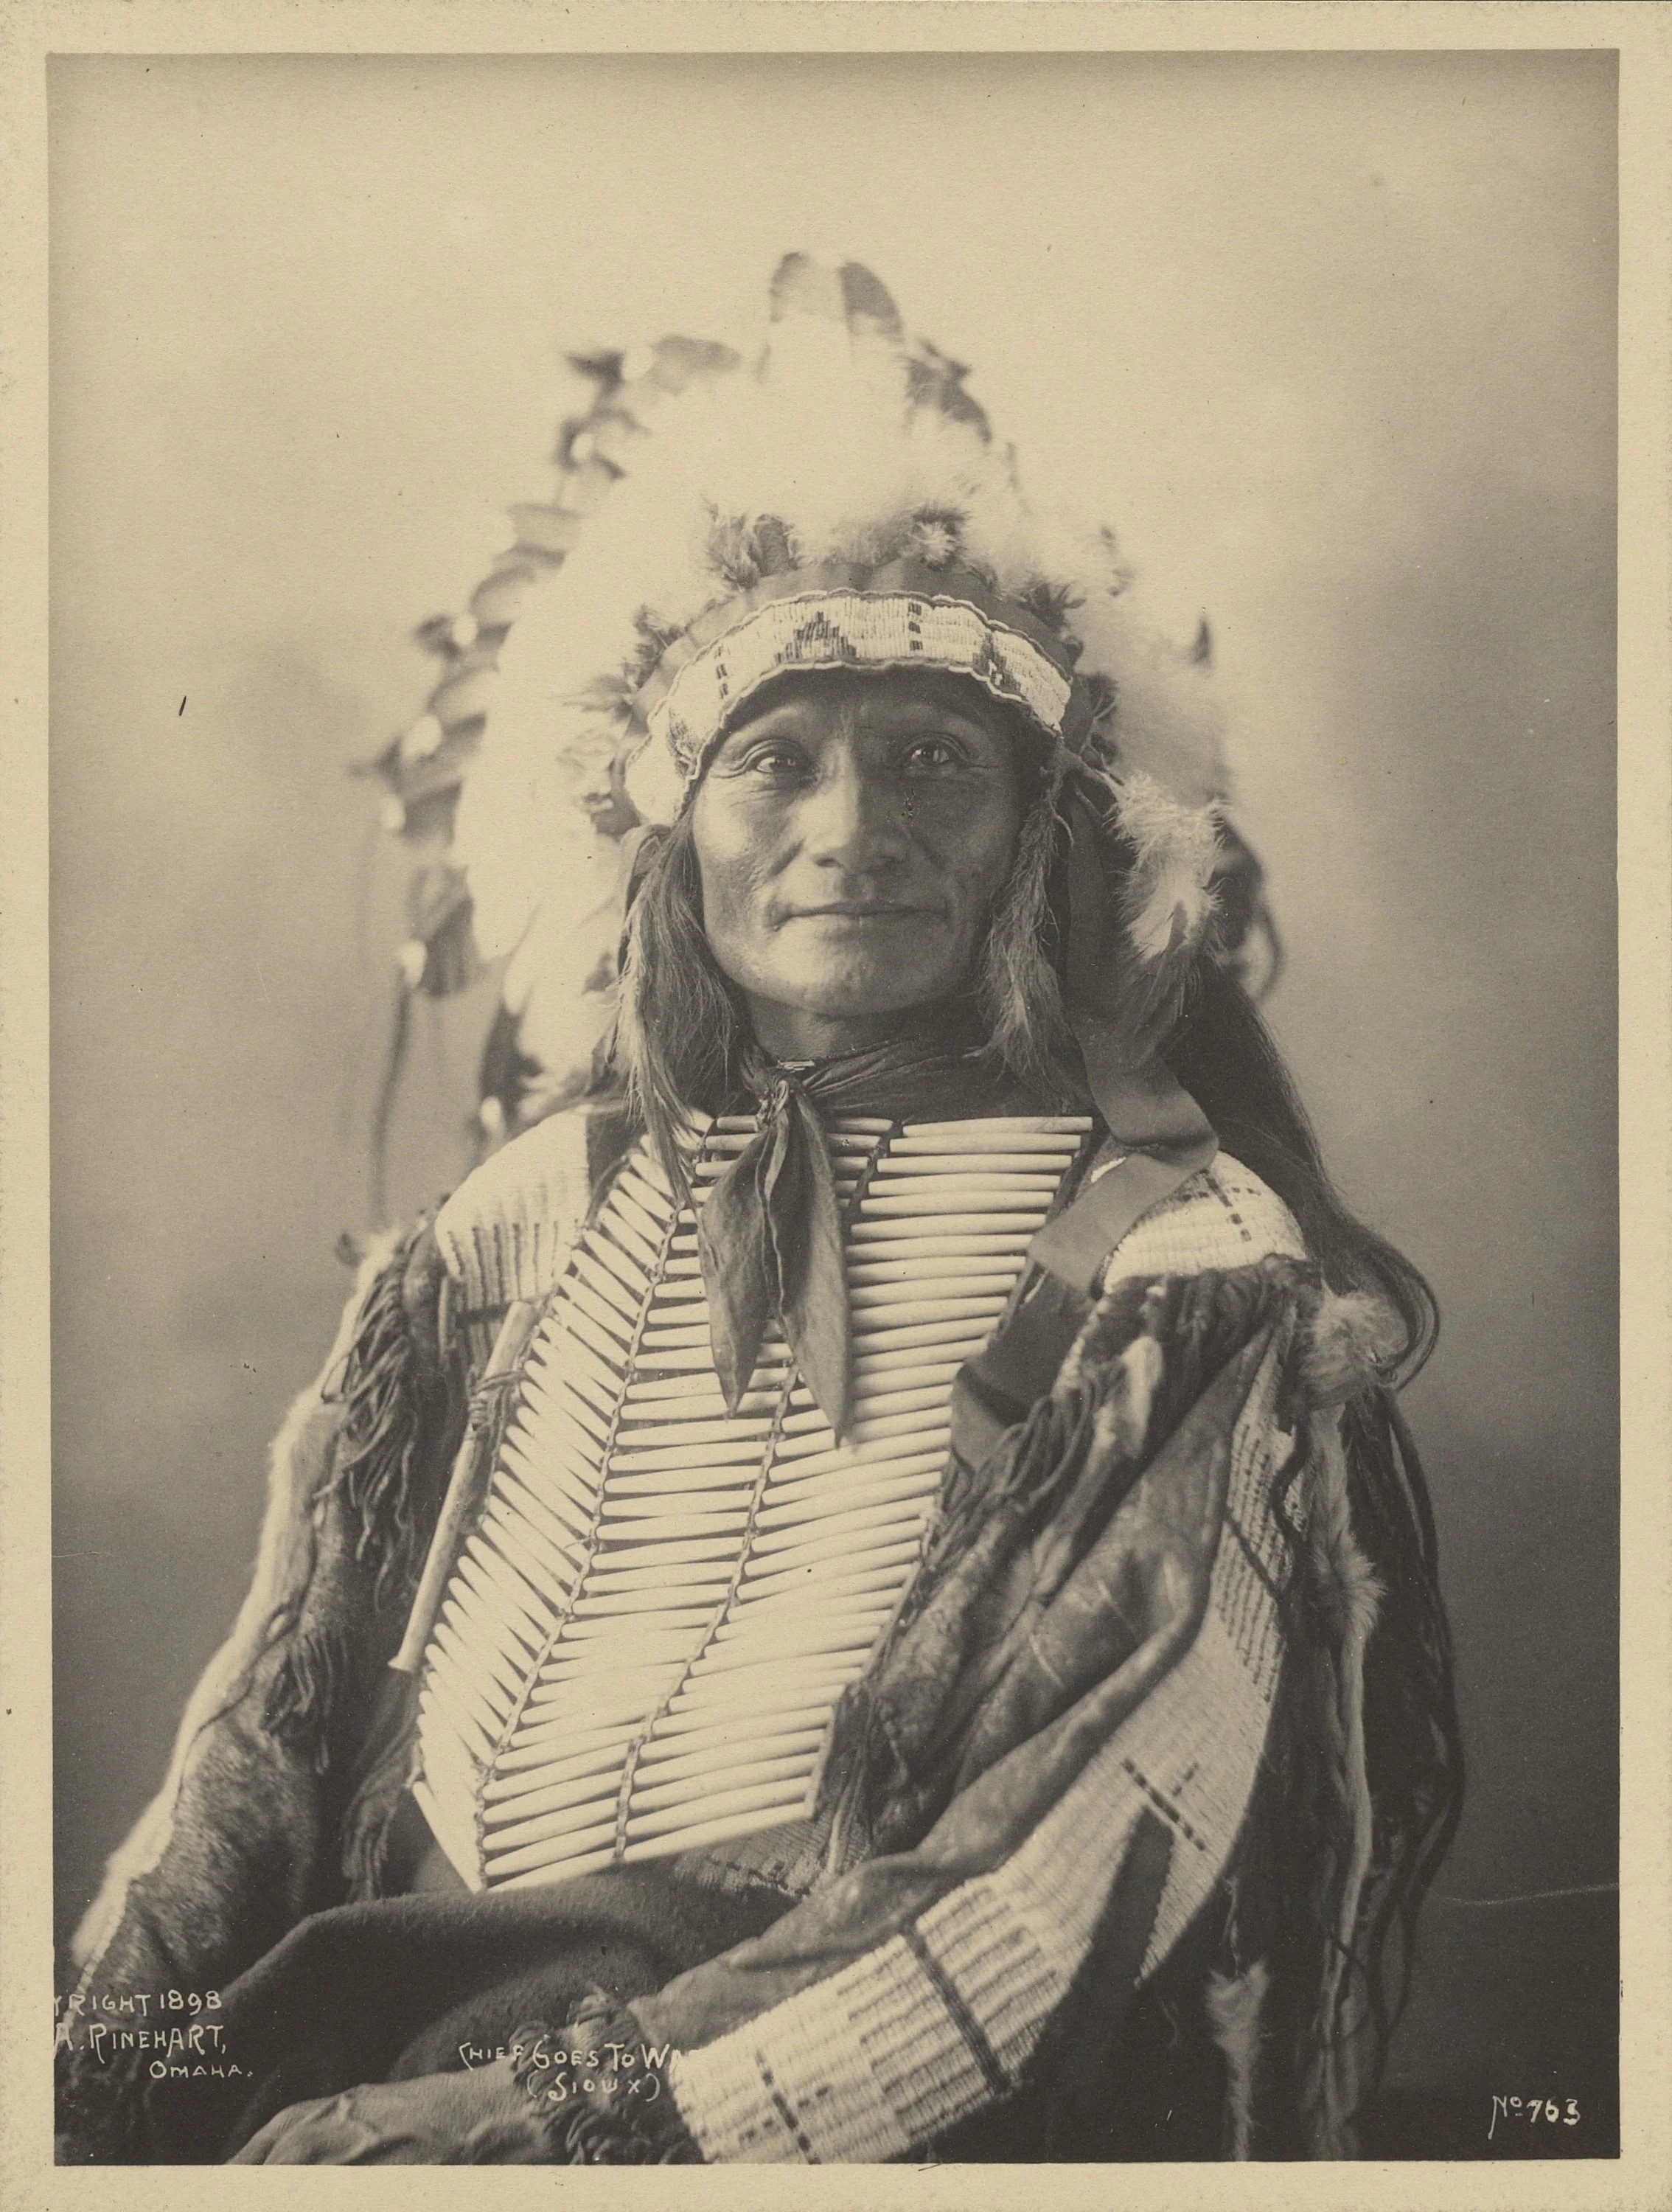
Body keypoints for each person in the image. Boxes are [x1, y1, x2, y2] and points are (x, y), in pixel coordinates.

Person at [55, 257, 1460, 2166]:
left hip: (860, 2112)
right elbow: (271, 1724)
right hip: (385, 2023)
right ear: (667, 838)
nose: (848, 828)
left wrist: (521, 2135)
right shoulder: (530, 1212)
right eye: (775, 761)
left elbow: (1037, 1881)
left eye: (933, 763)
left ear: (1042, 838)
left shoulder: (1175, 1260)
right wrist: (94, 2088)